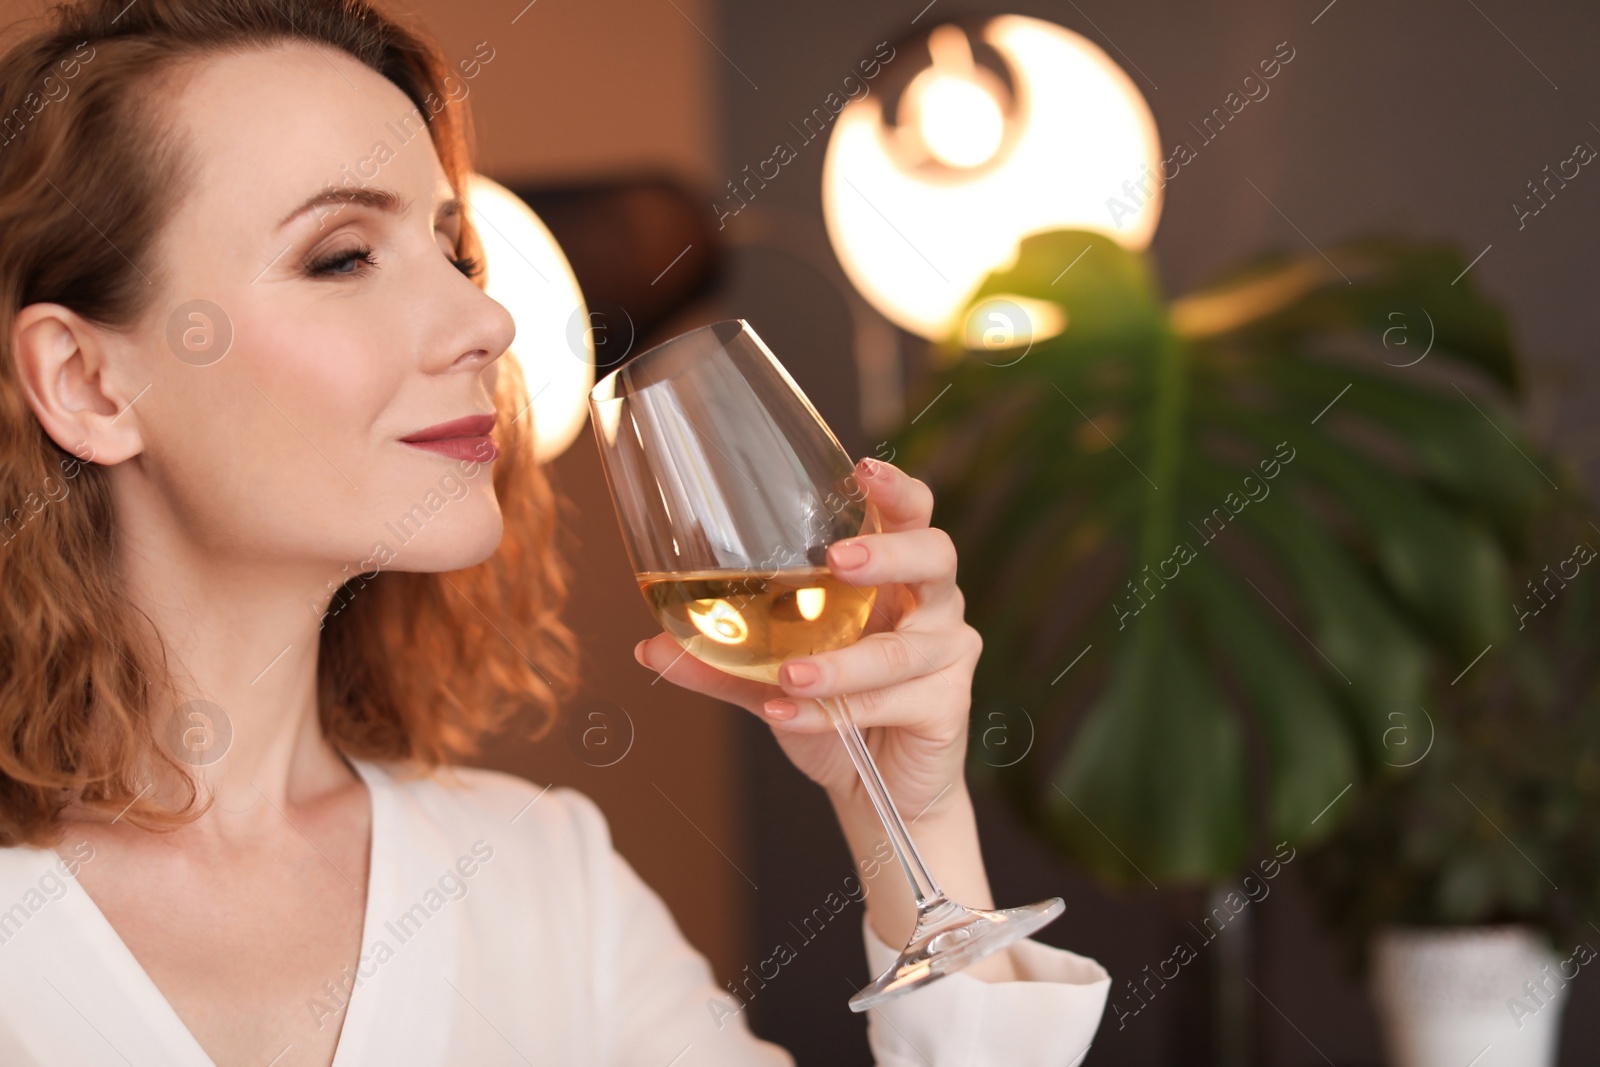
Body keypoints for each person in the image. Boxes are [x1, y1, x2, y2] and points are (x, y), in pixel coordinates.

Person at [0, 1, 1110, 1064]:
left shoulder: (537, 876)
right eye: (341, 255)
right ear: (89, 381)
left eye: (454, 252)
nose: (488, 321)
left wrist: (907, 817)